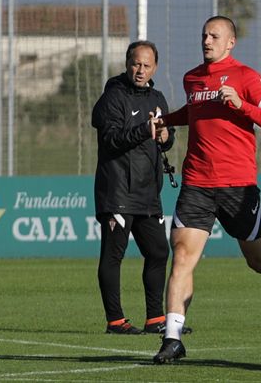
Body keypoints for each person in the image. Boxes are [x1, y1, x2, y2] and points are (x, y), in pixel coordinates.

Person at [148, 15, 261, 364]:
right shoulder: (192, 78)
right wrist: (167, 120)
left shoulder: (246, 77)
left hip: (238, 186)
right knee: (182, 259)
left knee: (260, 261)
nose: (207, 41)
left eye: (214, 36)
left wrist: (241, 104)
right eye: (204, 34)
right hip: (197, 183)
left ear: (230, 42)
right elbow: (196, 113)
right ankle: (172, 338)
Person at [91, 40, 183, 336]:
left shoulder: (157, 98)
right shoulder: (113, 97)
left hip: (147, 191)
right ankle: (115, 321)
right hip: (117, 190)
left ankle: (155, 318)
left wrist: (167, 136)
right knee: (113, 255)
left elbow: (165, 140)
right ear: (127, 63)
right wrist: (145, 130)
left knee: (158, 251)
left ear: (155, 67)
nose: (140, 70)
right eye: (135, 64)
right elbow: (111, 140)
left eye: (146, 65)